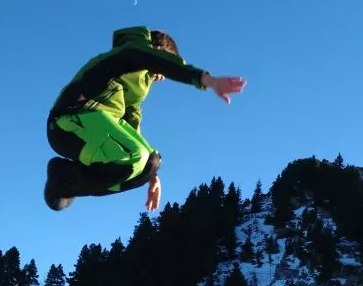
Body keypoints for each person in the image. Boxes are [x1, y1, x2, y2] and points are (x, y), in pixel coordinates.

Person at [44, 26, 246, 211]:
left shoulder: (132, 89)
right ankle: (63, 178)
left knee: (151, 162)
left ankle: (71, 178)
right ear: (157, 49)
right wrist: (206, 79)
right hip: (67, 123)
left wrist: (151, 176)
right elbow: (147, 58)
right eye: (162, 69)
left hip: (92, 129)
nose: (161, 77)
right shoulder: (130, 53)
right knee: (134, 158)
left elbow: (130, 127)